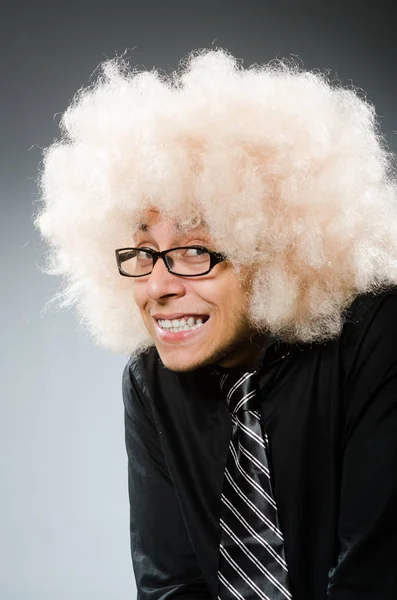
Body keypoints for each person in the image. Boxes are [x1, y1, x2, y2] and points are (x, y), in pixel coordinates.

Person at [36, 49, 397, 599]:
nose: (157, 286)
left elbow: (375, 576)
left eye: (194, 250)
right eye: (144, 252)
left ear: (276, 249)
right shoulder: (151, 382)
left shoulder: (376, 336)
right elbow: (171, 584)